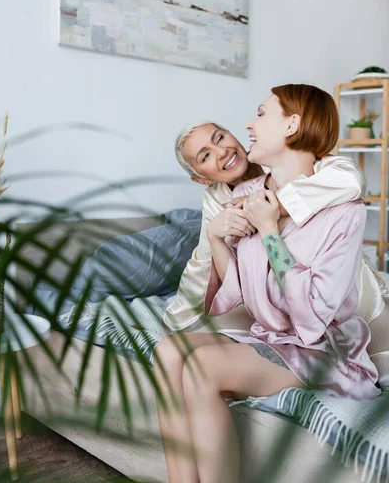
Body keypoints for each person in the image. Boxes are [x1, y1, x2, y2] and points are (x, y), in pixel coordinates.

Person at [155, 84, 380, 483]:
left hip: (321, 345)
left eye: (260, 114)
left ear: (292, 124)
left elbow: (311, 319)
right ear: (198, 175)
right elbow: (239, 290)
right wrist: (216, 238)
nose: (247, 126)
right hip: (272, 334)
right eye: (205, 155)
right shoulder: (245, 194)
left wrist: (269, 231)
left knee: (203, 368)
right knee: (169, 350)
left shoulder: (339, 198)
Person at [163, 115, 367, 332]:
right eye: (205, 156)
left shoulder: (281, 156)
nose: (222, 151)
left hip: (333, 277)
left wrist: (273, 205)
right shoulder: (217, 198)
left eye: (220, 138)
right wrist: (177, 317)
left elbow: (351, 181)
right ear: (201, 179)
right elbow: (205, 259)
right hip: (275, 297)